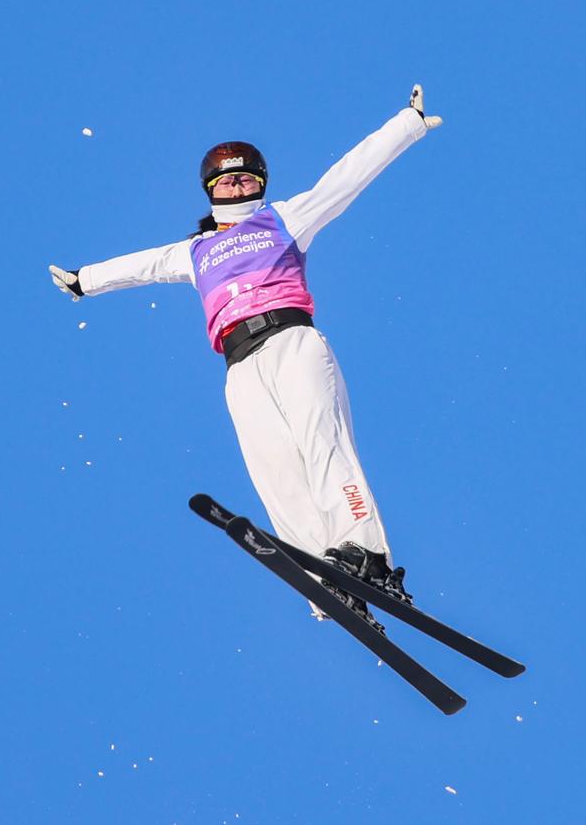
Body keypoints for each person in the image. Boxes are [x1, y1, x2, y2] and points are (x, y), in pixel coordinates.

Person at [50, 85, 442, 629]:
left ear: (261, 184)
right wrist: (84, 280)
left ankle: (366, 555)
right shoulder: (194, 252)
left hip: (290, 341)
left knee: (321, 443)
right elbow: (142, 265)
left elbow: (345, 179)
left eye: (247, 178)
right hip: (239, 365)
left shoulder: (284, 219)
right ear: (211, 189)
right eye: (228, 180)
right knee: (274, 467)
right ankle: (327, 576)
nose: (238, 186)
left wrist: (407, 124)